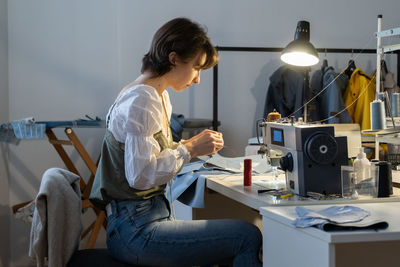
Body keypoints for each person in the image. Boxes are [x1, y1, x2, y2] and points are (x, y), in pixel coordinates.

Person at [90, 17, 262, 267]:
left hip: (145, 219)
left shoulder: (157, 95)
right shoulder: (142, 99)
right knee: (247, 236)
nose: (197, 79)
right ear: (173, 59)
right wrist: (189, 148)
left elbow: (153, 156)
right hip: (136, 231)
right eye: (196, 67)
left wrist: (190, 147)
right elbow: (139, 176)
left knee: (233, 238)